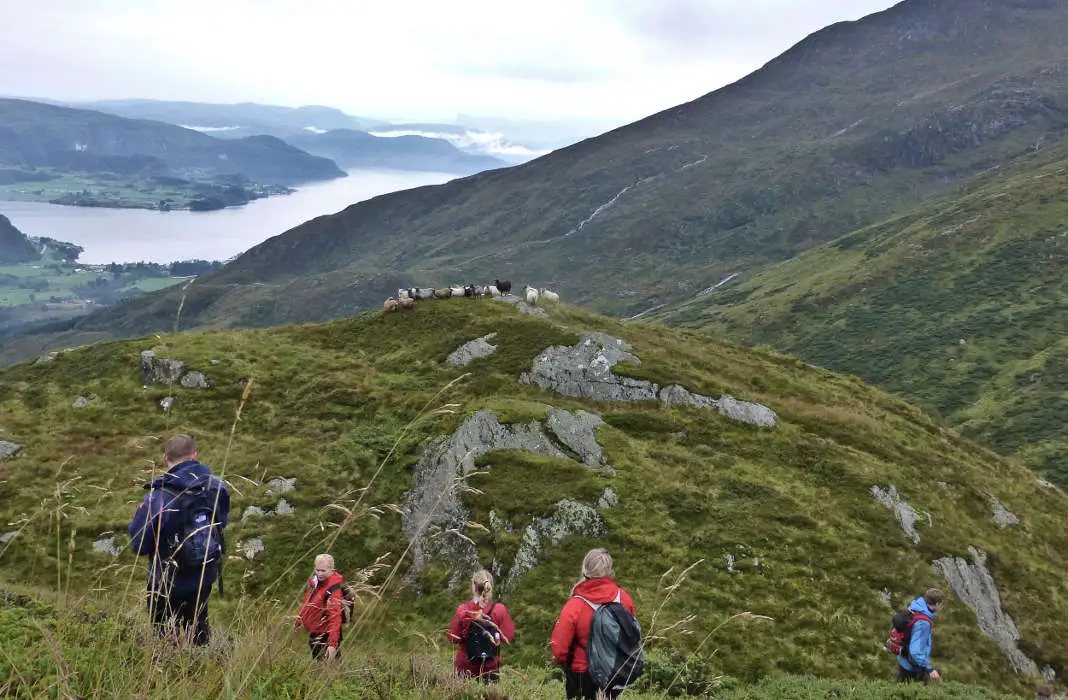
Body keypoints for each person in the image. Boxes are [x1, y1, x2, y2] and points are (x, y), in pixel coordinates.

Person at [129, 434, 230, 646]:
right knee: (198, 629)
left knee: (163, 638)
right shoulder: (217, 487)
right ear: (194, 455)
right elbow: (221, 524)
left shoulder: (159, 496)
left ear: (166, 458)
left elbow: (139, 545)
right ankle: (203, 670)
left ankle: (169, 673)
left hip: (165, 580)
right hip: (204, 572)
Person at [551, 548, 637, 700]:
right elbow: (632, 636)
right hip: (614, 671)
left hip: (581, 673)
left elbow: (559, 650)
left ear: (585, 570)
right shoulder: (624, 598)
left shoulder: (575, 605)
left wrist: (562, 662)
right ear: (610, 570)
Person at [447, 569, 516, 682]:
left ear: (474, 587)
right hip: (490, 669)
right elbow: (509, 636)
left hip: (464, 669)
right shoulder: (499, 610)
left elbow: (453, 638)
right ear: (490, 587)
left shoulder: (463, 610)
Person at [296, 553, 346, 660]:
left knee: (330, 670)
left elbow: (335, 618)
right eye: (317, 570)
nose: (319, 573)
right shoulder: (315, 583)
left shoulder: (334, 589)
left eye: (323, 571)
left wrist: (332, 644)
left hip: (327, 636)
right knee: (319, 669)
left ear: (331, 570)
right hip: (315, 633)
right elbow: (307, 604)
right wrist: (298, 622)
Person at [896, 588, 945, 684]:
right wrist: (930, 669)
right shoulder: (923, 623)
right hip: (911, 666)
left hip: (903, 658)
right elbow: (915, 652)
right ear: (937, 604)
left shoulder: (916, 607)